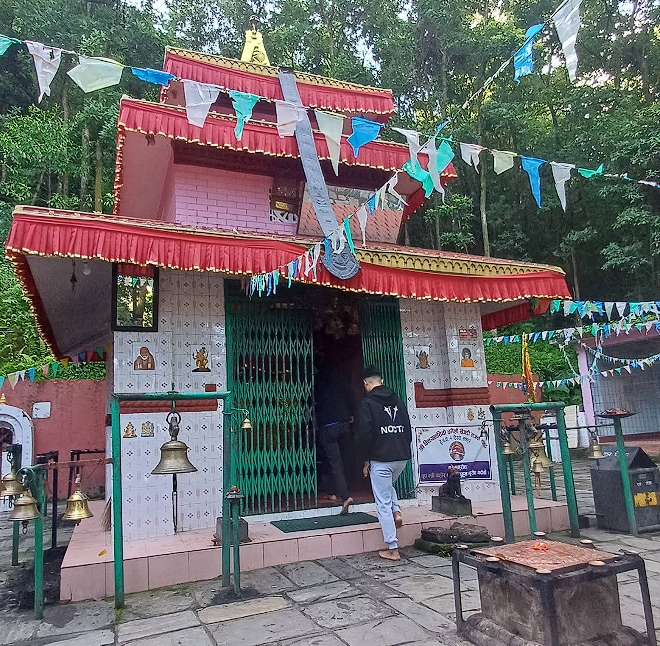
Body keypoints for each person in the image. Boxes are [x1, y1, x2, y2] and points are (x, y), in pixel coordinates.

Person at [358, 366, 412, 561]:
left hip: (381, 459)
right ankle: (396, 511)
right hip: (401, 457)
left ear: (366, 383)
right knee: (387, 487)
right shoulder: (397, 400)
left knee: (382, 501)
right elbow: (407, 428)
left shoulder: (367, 403)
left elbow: (365, 433)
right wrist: (403, 448)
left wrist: (365, 459)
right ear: (381, 381)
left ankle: (392, 547)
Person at [314, 367, 355, 515]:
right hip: (344, 424)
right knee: (342, 459)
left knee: (334, 461)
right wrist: (351, 415)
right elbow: (351, 398)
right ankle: (332, 491)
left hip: (328, 427)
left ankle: (344, 496)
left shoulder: (318, 383)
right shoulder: (341, 380)